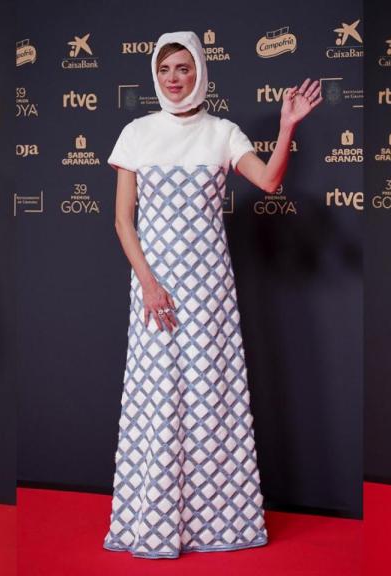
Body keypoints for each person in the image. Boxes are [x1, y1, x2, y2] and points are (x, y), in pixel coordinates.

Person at [103, 31, 321, 559]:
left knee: (210, 395)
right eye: (164, 69)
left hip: (209, 290)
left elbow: (268, 182)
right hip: (153, 286)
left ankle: (215, 523)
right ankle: (154, 521)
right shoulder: (137, 132)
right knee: (157, 395)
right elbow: (122, 221)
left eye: (182, 68)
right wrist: (149, 284)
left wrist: (287, 127)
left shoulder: (222, 132)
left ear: (199, 70)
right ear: (154, 76)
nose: (173, 78)